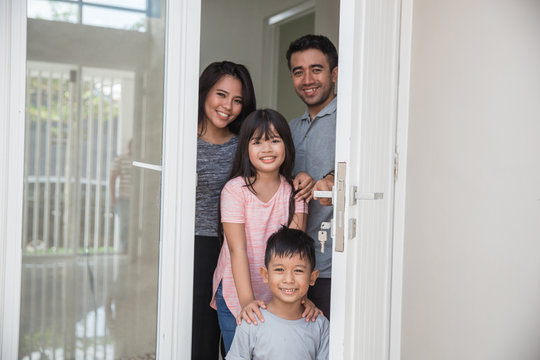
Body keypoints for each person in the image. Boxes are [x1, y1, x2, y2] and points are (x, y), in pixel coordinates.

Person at [211, 109, 321, 354]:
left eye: (274, 140)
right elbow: (237, 250)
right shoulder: (234, 191)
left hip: (283, 293)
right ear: (246, 149)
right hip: (236, 290)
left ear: (286, 145)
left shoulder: (295, 192)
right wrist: (247, 301)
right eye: (257, 142)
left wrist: (302, 299)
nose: (267, 149)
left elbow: (294, 254)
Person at [193, 61, 256, 360]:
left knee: (231, 339)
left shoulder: (243, 147)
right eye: (221, 95)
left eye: (237, 100)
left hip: (233, 249)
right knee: (196, 338)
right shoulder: (181, 141)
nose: (228, 106)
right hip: (192, 246)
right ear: (205, 92)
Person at [286, 34, 339, 320]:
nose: (307, 79)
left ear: (334, 73)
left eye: (316, 69)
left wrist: (331, 178)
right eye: (298, 72)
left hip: (332, 266)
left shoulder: (350, 121)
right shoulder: (290, 128)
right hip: (290, 270)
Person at [226, 227, 329, 360]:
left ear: (312, 278)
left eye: (298, 271)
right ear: (265, 275)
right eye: (280, 269)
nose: (288, 279)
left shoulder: (320, 326)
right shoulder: (251, 322)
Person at [110, 139, 133, 253]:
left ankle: (131, 249)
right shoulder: (121, 159)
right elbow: (113, 178)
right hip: (124, 197)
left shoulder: (141, 161)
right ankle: (125, 248)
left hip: (137, 200)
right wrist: (113, 196)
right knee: (125, 223)